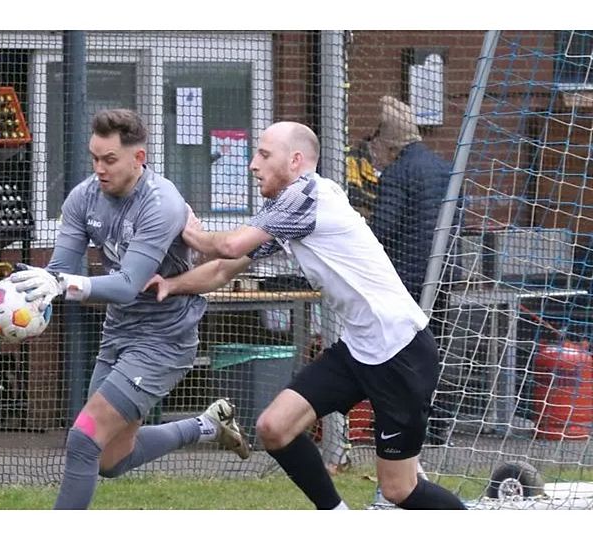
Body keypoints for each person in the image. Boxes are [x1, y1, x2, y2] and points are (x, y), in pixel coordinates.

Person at [145, 121, 466, 510]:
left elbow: (229, 246)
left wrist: (188, 228)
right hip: (359, 349)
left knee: (400, 489)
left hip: (400, 352)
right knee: (273, 428)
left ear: (295, 160)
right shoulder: (287, 210)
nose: (252, 164)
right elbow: (223, 269)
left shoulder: (307, 195)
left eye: (264, 154)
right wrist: (170, 285)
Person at [7, 108, 251, 510]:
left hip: (164, 341)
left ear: (138, 158)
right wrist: (18, 293)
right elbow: (59, 272)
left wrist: (62, 284)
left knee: (83, 438)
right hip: (118, 333)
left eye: (109, 160)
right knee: (109, 459)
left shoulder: (161, 203)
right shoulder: (84, 198)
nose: (99, 169)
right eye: (94, 158)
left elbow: (125, 286)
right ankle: (205, 425)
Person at [369, 96, 454, 444]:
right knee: (435, 348)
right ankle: (438, 421)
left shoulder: (397, 173)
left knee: (401, 353)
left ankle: (405, 422)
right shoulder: (444, 169)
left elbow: (382, 230)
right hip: (442, 273)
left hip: (404, 277)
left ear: (388, 140)